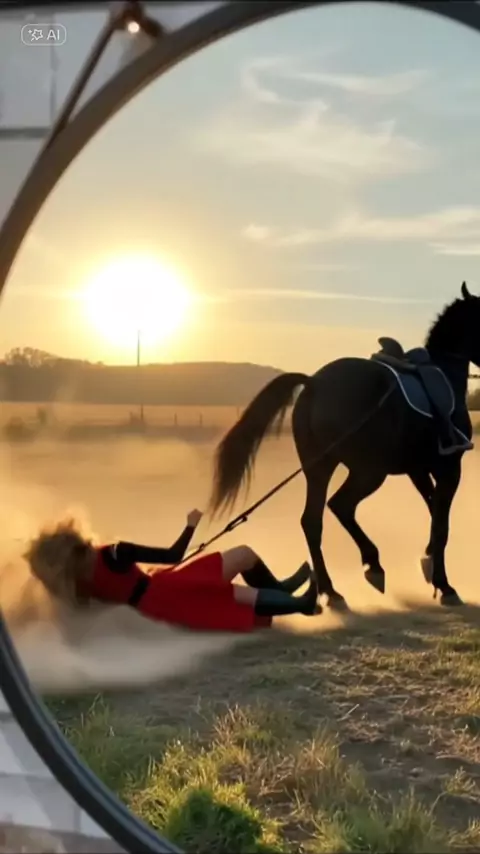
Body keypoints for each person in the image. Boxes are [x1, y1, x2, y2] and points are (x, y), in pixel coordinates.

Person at [23, 509, 320, 633]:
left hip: (156, 603)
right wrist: (191, 525)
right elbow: (173, 555)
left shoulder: (78, 583)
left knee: (241, 569)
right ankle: (299, 603)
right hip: (167, 590)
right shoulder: (115, 552)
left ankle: (286, 592)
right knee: (238, 590)